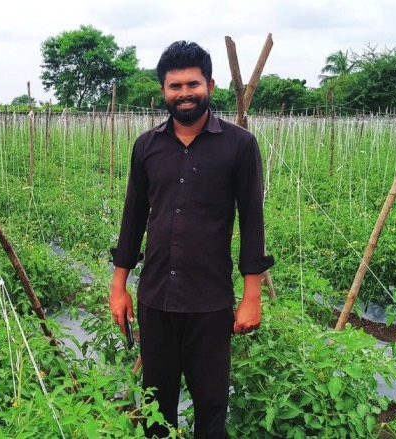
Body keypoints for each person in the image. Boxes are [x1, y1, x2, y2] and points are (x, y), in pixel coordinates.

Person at [109, 40, 274, 438]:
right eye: (175, 86)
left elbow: (253, 221)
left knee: (211, 405)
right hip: (155, 298)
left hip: (210, 301)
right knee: (156, 405)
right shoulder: (147, 147)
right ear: (163, 92)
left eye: (192, 84)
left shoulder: (239, 144)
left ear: (210, 86)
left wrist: (251, 297)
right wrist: (119, 286)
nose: (184, 93)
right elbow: (133, 218)